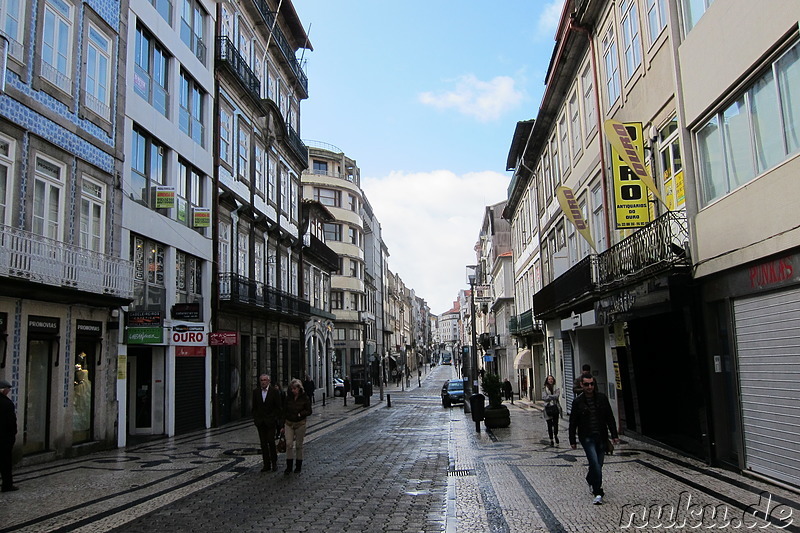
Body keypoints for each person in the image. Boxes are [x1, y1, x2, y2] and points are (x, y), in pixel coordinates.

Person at [569, 375, 620, 505]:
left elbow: (609, 417)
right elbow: (573, 422)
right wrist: (572, 440)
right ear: (582, 385)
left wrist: (614, 435)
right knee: (595, 463)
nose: (589, 387)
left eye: (591, 384)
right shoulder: (578, 402)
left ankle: (590, 478)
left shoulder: (602, 398)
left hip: (601, 437)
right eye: (586, 384)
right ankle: (598, 492)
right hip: (587, 438)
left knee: (599, 464)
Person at [252, 374, 283, 472]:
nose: (263, 382)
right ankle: (266, 464)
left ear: (269, 381)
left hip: (270, 422)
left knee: (271, 441)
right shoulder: (256, 392)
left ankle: (274, 462)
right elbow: (254, 407)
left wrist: (275, 418)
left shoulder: (274, 392)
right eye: (261, 380)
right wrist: (256, 419)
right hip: (260, 422)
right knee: (263, 444)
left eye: (265, 380)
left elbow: (278, 407)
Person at [282, 378, 312, 474]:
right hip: (289, 423)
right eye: (292, 388)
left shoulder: (304, 397)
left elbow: (309, 411)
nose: (293, 390)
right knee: (289, 444)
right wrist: (282, 425)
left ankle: (298, 466)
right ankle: (289, 466)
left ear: (299, 388)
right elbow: (284, 411)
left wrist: (301, 414)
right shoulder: (288, 398)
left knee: (299, 445)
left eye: (295, 388)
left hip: (300, 423)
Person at [0, 379, 18, 492]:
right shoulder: (6, 403)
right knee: (6, 463)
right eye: (8, 389)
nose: (8, 391)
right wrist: (12, 434)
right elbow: (11, 422)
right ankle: (7, 485)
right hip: (4, 438)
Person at [542, 375, 561, 446]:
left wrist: (549, 396)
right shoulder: (544, 389)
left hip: (555, 407)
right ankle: (551, 439)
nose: (550, 380)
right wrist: (552, 397)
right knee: (549, 424)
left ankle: (555, 435)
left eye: (551, 379)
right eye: (549, 379)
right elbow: (544, 398)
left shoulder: (556, 388)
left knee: (556, 424)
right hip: (548, 408)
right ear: (547, 380)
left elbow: (557, 396)